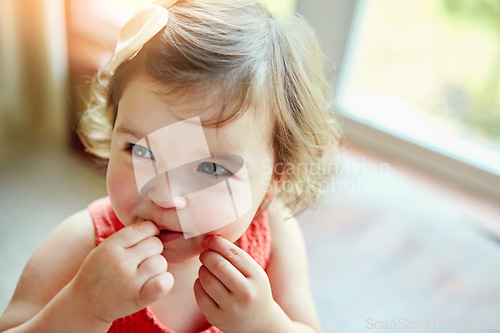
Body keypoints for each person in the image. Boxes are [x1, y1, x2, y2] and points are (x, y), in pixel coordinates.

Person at [0, 0, 339, 332]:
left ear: (273, 179)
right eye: (141, 151)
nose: (164, 195)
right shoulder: (81, 244)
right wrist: (83, 307)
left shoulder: (275, 234)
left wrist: (263, 324)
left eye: (210, 168)